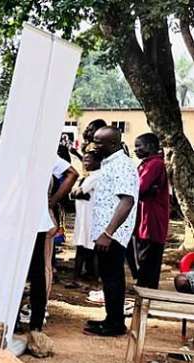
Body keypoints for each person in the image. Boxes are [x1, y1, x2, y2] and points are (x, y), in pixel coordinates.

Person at [84, 126, 139, 337]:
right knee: (108, 277)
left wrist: (108, 233)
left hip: (113, 234)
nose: (94, 146)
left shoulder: (122, 165)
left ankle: (115, 324)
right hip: (106, 232)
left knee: (113, 278)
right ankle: (111, 318)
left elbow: (127, 202)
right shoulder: (109, 164)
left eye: (99, 142)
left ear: (112, 144)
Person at [23, 154, 78, 331]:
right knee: (43, 265)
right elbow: (72, 173)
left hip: (34, 218)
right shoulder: (44, 152)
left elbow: (73, 173)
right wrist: (51, 202)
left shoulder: (15, 151)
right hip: (43, 217)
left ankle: (36, 311)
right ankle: (39, 314)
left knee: (40, 266)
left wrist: (51, 202)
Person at [132, 133, 169, 289]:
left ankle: (146, 289)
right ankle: (145, 287)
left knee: (148, 255)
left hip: (152, 217)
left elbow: (140, 187)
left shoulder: (154, 164)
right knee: (144, 253)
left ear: (151, 147)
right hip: (145, 216)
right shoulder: (146, 164)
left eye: (139, 146)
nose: (136, 150)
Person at [70, 150, 102, 285]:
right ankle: (81, 277)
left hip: (90, 218)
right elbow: (72, 194)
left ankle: (90, 279)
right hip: (83, 218)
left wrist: (78, 193)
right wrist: (77, 193)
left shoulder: (96, 176)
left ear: (97, 162)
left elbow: (77, 192)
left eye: (88, 160)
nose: (85, 163)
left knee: (89, 249)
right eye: (84, 160)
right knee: (83, 247)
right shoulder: (88, 177)